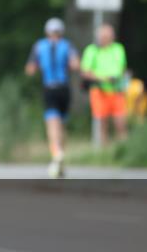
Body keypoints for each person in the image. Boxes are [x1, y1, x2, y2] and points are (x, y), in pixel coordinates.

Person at [25, 18, 80, 178]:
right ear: (61, 32)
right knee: (62, 125)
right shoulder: (68, 45)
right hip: (64, 88)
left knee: (51, 124)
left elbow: (29, 69)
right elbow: (76, 64)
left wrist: (39, 66)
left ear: (46, 32)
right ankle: (60, 156)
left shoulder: (39, 46)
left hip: (49, 88)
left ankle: (56, 154)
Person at [80, 23, 128, 145]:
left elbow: (122, 68)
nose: (106, 39)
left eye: (109, 37)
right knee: (102, 122)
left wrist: (119, 79)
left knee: (120, 121)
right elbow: (85, 71)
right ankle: (104, 150)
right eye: (104, 37)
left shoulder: (118, 48)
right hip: (99, 90)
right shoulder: (92, 50)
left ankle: (123, 148)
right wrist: (102, 79)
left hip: (116, 89)